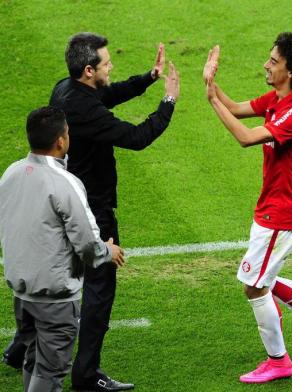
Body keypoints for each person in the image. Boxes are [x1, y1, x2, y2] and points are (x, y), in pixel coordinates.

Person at [203, 33, 292, 384]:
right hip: (276, 208)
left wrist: (211, 101)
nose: (266, 65)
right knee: (262, 279)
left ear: (291, 71)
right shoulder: (278, 99)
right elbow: (237, 108)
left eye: (273, 61)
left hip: (282, 215)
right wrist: (212, 83)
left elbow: (245, 137)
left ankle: (278, 361)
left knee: (254, 286)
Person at [48, 32, 180, 391]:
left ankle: (18, 350)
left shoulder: (66, 89)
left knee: (56, 277)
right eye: (107, 63)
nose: (112, 66)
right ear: (89, 70)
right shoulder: (86, 109)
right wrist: (168, 100)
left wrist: (148, 79)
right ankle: (86, 375)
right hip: (93, 210)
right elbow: (136, 137)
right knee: (100, 288)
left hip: (68, 199)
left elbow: (108, 93)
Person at [0, 106, 125, 392]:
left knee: (34, 360)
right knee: (50, 372)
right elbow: (87, 243)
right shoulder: (65, 182)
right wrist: (108, 250)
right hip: (54, 298)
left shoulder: (11, 173)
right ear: (60, 141)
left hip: (22, 294)